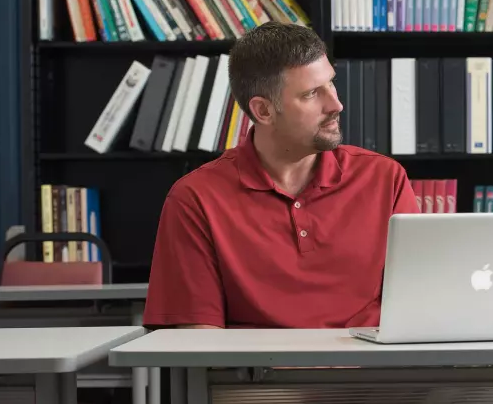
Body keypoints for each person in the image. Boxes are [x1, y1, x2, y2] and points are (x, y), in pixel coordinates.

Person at [143, 22, 419, 329]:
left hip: (375, 371)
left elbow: (419, 299)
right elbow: (197, 334)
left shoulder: (385, 178)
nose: (336, 104)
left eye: (331, 83)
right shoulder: (195, 199)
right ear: (263, 111)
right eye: (312, 93)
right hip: (262, 375)